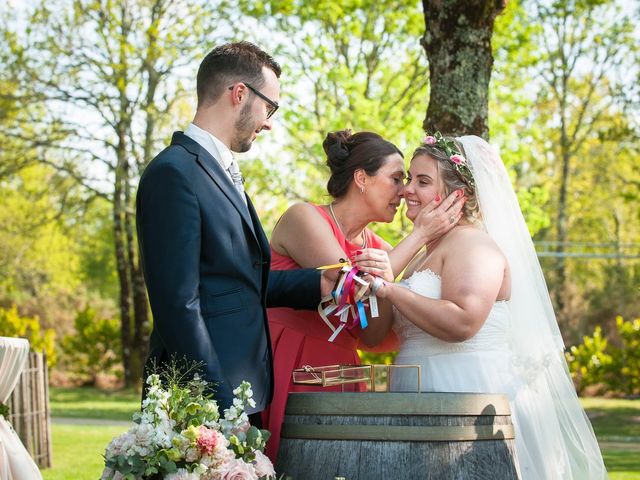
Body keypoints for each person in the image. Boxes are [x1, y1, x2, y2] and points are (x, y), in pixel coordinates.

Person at [358, 134, 608, 479]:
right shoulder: (419, 257)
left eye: (423, 181)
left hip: (466, 392)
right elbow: (373, 334)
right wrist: (379, 287)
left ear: (457, 195)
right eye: (408, 179)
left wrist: (389, 290)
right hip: (414, 394)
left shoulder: (474, 245)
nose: (406, 190)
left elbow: (463, 323)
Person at [136, 41, 333, 424]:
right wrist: (222, 406)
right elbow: (179, 305)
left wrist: (317, 284)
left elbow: (233, 282)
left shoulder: (221, 170)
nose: (269, 121)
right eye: (269, 106)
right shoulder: (173, 174)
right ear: (239, 93)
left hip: (244, 392)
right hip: (201, 400)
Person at [262, 129, 466, 461]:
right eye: (396, 179)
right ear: (361, 178)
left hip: (341, 370)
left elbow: (372, 335)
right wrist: (419, 236)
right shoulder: (304, 218)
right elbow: (348, 285)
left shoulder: (381, 250)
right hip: (286, 358)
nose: (404, 192)